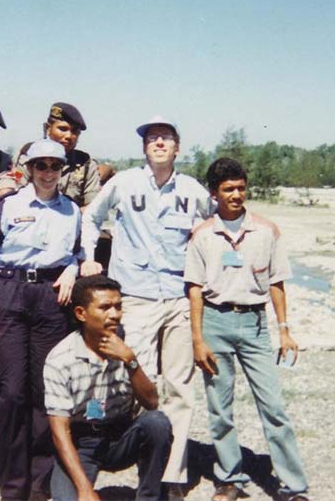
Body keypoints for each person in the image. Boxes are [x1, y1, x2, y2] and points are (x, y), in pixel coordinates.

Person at [80, 115, 212, 492]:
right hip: (135, 298)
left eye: (166, 138)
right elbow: (91, 218)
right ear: (143, 148)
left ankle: (171, 476)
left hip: (178, 298)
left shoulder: (191, 190)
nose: (158, 143)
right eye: (152, 138)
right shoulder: (123, 183)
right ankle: (146, 464)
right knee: (140, 381)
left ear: (177, 147)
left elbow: (214, 225)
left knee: (180, 387)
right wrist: (90, 257)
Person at [187, 157, 309, 501]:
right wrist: (198, 339)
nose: (236, 195)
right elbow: (194, 289)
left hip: (255, 325)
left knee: (273, 407)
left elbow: (277, 282)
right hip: (215, 322)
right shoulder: (201, 235)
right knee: (219, 406)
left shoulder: (267, 231)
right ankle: (230, 478)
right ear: (214, 193)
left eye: (241, 188)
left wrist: (284, 329)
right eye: (228, 189)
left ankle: (293, 486)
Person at [0, 139, 82, 501]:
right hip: (11, 292)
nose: (48, 173)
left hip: (51, 298)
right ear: (30, 169)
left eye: (55, 166)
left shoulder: (73, 210)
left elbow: (80, 250)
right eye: (41, 166)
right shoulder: (10, 204)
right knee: (11, 393)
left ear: (62, 171)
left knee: (44, 393)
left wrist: (72, 267)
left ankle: (39, 486)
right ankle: (13, 489)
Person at [44, 275, 173, 501]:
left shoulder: (133, 341)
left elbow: (151, 402)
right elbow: (60, 432)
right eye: (105, 307)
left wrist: (130, 361)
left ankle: (149, 497)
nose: (114, 314)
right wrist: (85, 490)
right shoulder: (60, 359)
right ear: (80, 314)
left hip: (121, 432)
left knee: (157, 423)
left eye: (118, 306)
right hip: (81, 442)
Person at [0, 103, 100, 208]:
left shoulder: (85, 164)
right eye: (63, 129)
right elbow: (17, 192)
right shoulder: (28, 155)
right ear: (48, 128)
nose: (69, 136)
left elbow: (92, 207)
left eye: (75, 131)